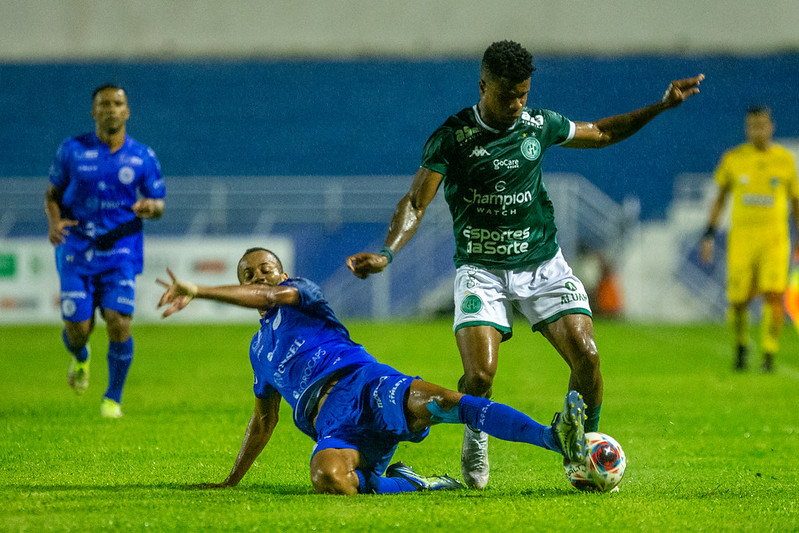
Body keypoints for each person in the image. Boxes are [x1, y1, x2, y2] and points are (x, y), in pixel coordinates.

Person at [346, 40, 703, 489]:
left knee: (588, 357)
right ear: (482, 86)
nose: (516, 104)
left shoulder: (539, 125)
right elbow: (417, 201)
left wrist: (661, 105)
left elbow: (603, 133)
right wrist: (388, 252)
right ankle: (475, 436)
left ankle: (580, 450)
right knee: (479, 374)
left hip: (542, 265)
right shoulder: (453, 137)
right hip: (481, 269)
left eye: (523, 94)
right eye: (506, 95)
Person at [156, 247, 589, 495]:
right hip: (334, 426)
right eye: (248, 275)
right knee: (328, 479)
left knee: (446, 403)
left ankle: (555, 438)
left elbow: (273, 299)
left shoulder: (302, 292)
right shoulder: (258, 350)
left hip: (366, 384)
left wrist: (198, 289)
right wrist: (231, 481)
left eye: (265, 269)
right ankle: (414, 484)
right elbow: (264, 420)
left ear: (281, 273)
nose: (259, 277)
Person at [45, 83, 165, 418]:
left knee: (118, 322)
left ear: (127, 111)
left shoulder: (142, 156)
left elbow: (158, 204)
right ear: (94, 111)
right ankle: (81, 357)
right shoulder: (72, 150)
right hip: (76, 248)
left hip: (121, 251)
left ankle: (112, 398)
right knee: (79, 332)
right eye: (104, 104)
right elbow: (52, 194)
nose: (111, 109)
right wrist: (55, 223)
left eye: (117, 103)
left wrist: (150, 207)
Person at [701, 106, 799, 373]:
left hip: (775, 240)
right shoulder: (733, 159)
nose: (757, 131)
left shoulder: (785, 161)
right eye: (752, 126)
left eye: (762, 125)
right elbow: (719, 200)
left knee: (774, 295)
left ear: (771, 127)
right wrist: (709, 234)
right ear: (747, 129)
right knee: (739, 299)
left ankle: (769, 352)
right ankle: (741, 346)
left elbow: (796, 204)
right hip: (742, 240)